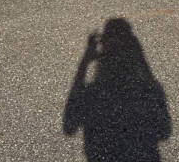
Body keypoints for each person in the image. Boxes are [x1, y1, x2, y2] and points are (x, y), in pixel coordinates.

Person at [63, 18, 171, 162]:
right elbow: (164, 132)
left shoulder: (92, 91)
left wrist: (85, 61)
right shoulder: (143, 88)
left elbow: (69, 127)